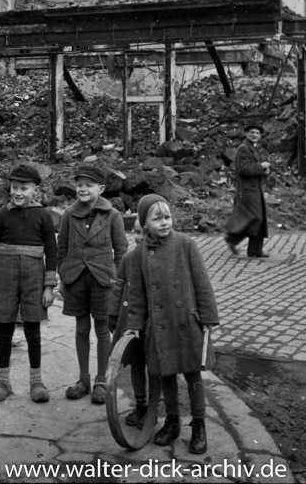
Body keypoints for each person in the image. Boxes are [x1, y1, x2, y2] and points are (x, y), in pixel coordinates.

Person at [126, 194, 219, 454]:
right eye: (157, 218)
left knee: (192, 374)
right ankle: (173, 420)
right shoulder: (138, 255)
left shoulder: (185, 244)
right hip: (159, 325)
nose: (165, 222)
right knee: (166, 373)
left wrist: (209, 317)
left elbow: (202, 283)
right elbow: (137, 294)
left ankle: (199, 425)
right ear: (144, 223)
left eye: (167, 216)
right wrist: (135, 322)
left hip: (186, 322)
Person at [0, 162, 57, 404]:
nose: (18, 193)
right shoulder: (1, 216)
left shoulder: (44, 216)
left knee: (33, 329)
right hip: (4, 276)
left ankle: (36, 382)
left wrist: (49, 287)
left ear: (35, 189)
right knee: (4, 328)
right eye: (14, 187)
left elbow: (52, 253)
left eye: (24, 188)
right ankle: (3, 381)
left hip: (35, 276)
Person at [57, 164, 127, 405]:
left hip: (103, 281)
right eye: (79, 185)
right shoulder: (68, 214)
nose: (83, 189)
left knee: (102, 329)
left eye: (89, 185)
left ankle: (101, 381)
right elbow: (61, 250)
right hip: (76, 280)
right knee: (81, 329)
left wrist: (116, 281)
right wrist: (63, 278)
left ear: (102, 188)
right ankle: (83, 380)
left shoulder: (113, 215)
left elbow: (121, 251)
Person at [108, 216, 150, 427]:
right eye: (135, 232)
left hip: (151, 323)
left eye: (143, 232)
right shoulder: (128, 258)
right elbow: (118, 286)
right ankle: (140, 406)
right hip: (130, 322)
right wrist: (112, 314)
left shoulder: (156, 259)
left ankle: (153, 408)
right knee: (136, 363)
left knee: (154, 366)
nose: (139, 237)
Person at [224, 122, 270, 258]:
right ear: (246, 134)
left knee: (259, 219)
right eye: (252, 132)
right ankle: (232, 239)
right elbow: (243, 170)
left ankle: (255, 250)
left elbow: (253, 169)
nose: (255, 135)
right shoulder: (243, 148)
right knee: (255, 218)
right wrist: (261, 166)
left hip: (255, 189)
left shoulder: (253, 148)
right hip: (247, 191)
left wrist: (264, 171)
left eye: (257, 133)